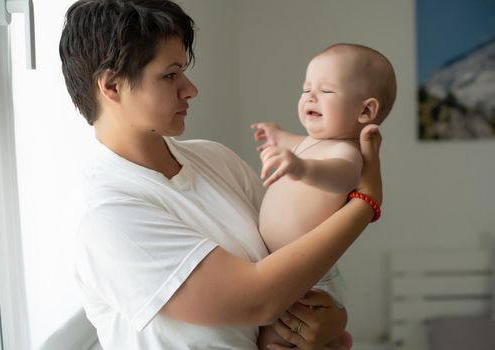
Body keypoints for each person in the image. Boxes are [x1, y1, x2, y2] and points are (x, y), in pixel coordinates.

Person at [59, 1, 384, 349]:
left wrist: (333, 315)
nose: (190, 89)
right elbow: (258, 299)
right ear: (112, 86)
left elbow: (297, 258)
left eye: (183, 71)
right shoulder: (110, 215)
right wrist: (365, 203)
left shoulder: (216, 159)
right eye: (170, 75)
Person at [251, 44, 396, 348]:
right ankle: (337, 342)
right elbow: (292, 141)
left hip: (308, 279)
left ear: (365, 110)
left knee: (276, 338)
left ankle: (335, 342)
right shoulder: (309, 142)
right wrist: (275, 134)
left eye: (326, 91)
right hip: (289, 270)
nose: (310, 97)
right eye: (306, 89)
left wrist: (302, 168)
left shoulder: (347, 152)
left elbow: (340, 176)